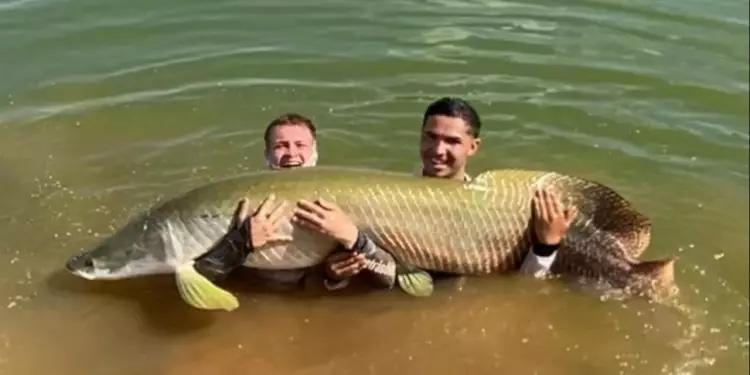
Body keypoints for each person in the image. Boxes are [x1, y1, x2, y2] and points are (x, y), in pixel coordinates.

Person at [195, 99, 578, 293]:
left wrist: (546, 246)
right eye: (430, 137)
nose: (438, 149)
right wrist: (333, 276)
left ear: (473, 147)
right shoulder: (375, 194)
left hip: (457, 291)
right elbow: (375, 276)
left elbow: (524, 290)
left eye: (451, 141)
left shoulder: (498, 208)